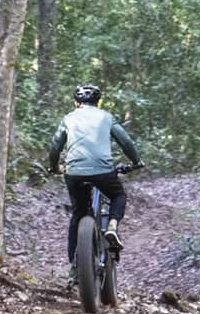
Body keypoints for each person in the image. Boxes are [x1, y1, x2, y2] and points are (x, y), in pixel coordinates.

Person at [47, 83, 142, 273]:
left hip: (74, 173)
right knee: (118, 196)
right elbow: (125, 141)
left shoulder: (68, 118)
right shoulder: (106, 117)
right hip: (103, 172)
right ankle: (112, 227)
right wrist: (136, 162)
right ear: (98, 102)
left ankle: (75, 263)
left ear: (76, 102)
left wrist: (54, 167)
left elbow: (55, 145)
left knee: (79, 213)